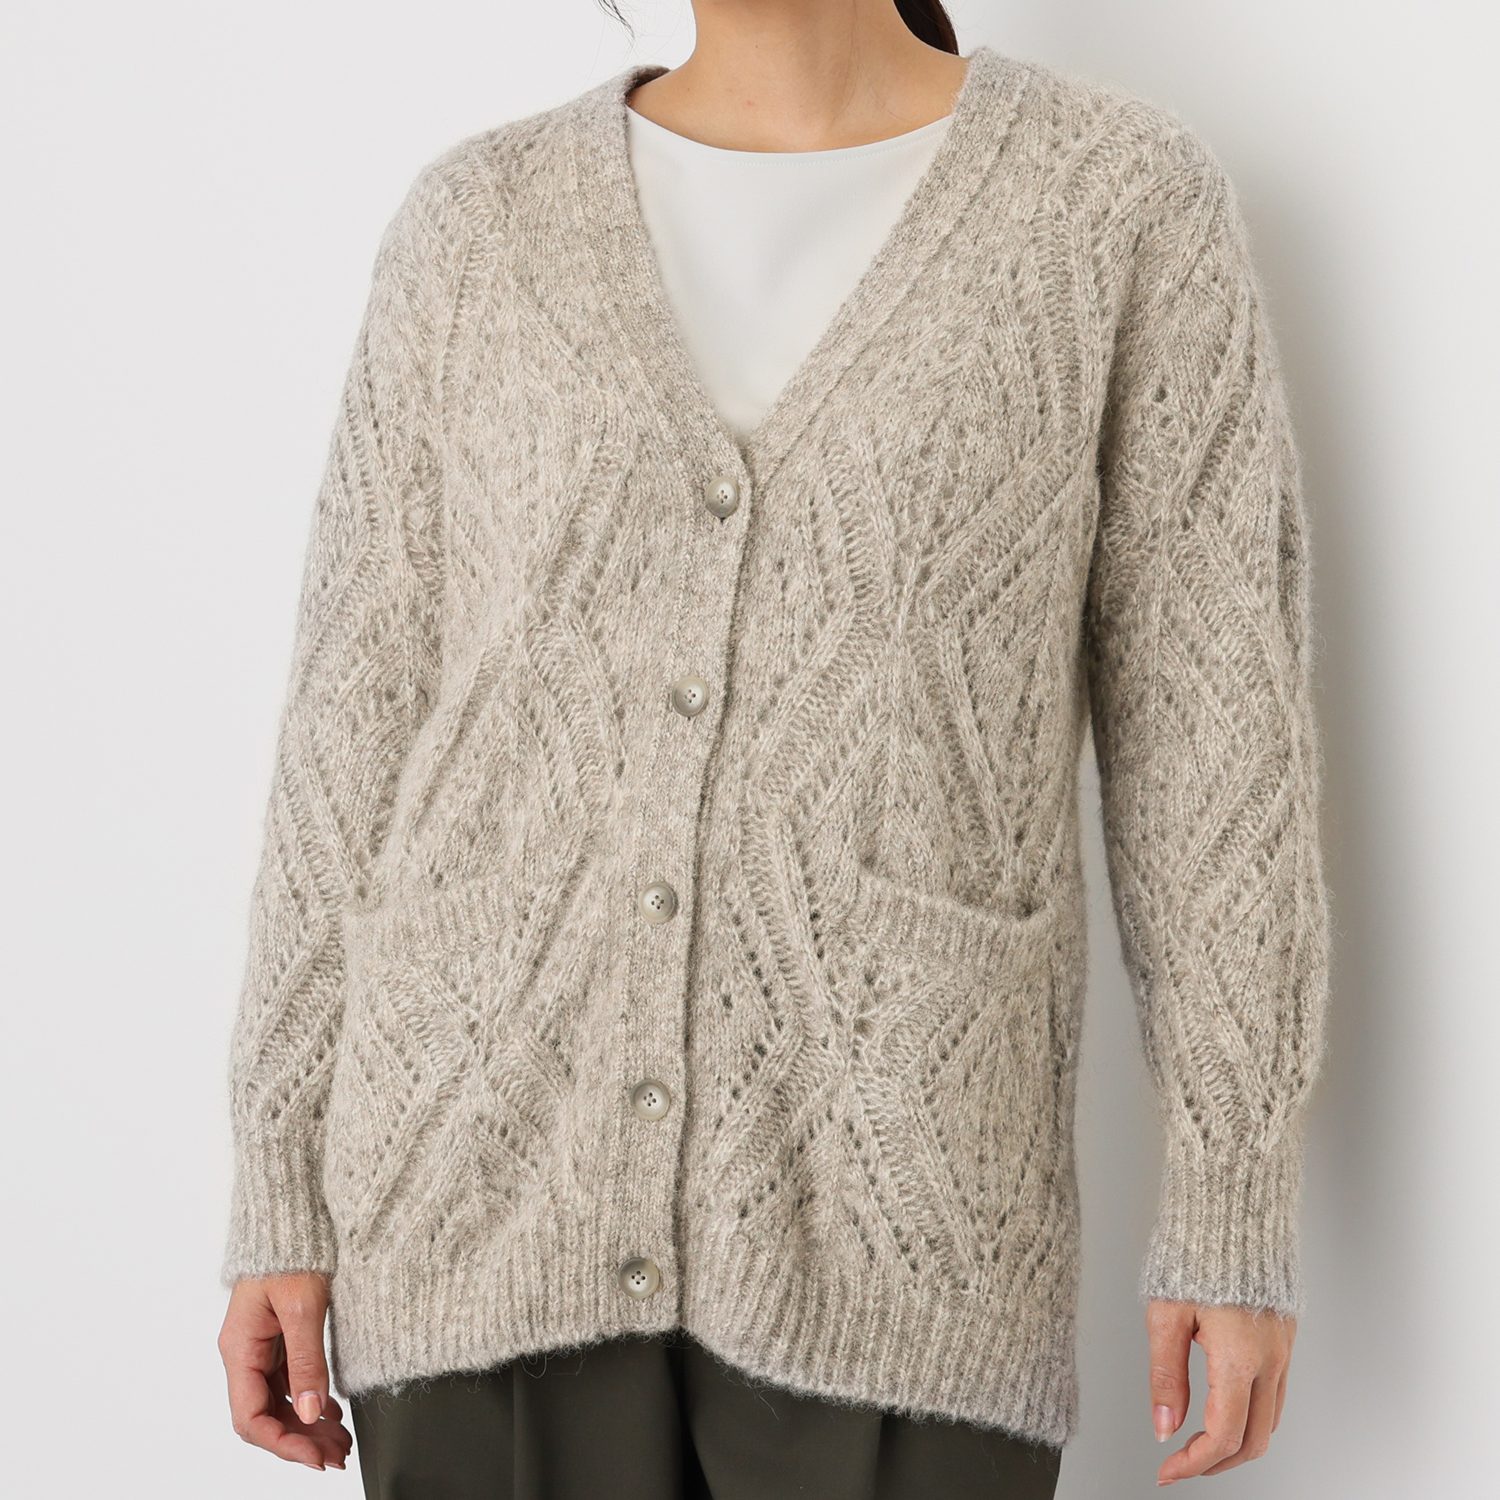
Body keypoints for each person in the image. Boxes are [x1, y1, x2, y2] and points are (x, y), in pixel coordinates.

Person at [216, 2, 1332, 1495]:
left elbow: (1213, 738)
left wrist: (1230, 1198)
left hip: (910, 1220)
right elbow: (351, 727)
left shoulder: (1113, 202)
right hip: (479, 1200)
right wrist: (280, 1176)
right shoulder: (478, 224)